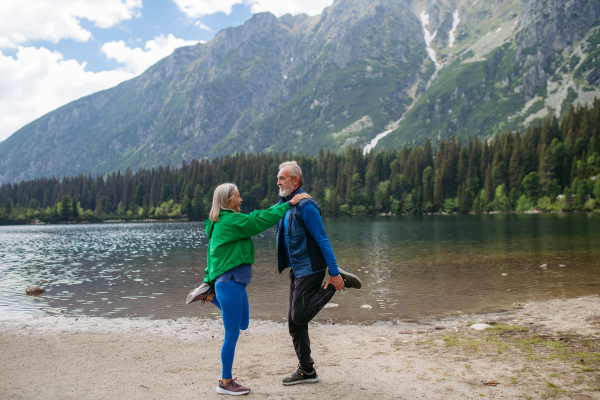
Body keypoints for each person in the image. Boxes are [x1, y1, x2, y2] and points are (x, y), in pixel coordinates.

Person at [186, 182, 310, 396]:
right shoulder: (230, 221)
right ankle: (225, 382)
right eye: (238, 196)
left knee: (243, 324)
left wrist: (209, 280)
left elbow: (212, 256)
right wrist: (288, 204)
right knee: (231, 335)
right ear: (227, 201)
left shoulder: (223, 222)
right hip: (230, 283)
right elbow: (258, 220)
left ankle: (209, 296)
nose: (240, 199)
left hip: (236, 284)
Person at [275, 161, 362, 386]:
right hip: (298, 269)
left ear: (296, 181)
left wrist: (332, 272)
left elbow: (322, 239)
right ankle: (306, 370)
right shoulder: (286, 204)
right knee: (294, 323)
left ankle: (337, 282)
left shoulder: (307, 206)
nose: (278, 182)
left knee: (299, 316)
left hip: (311, 269)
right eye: (278, 178)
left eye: (282, 178)